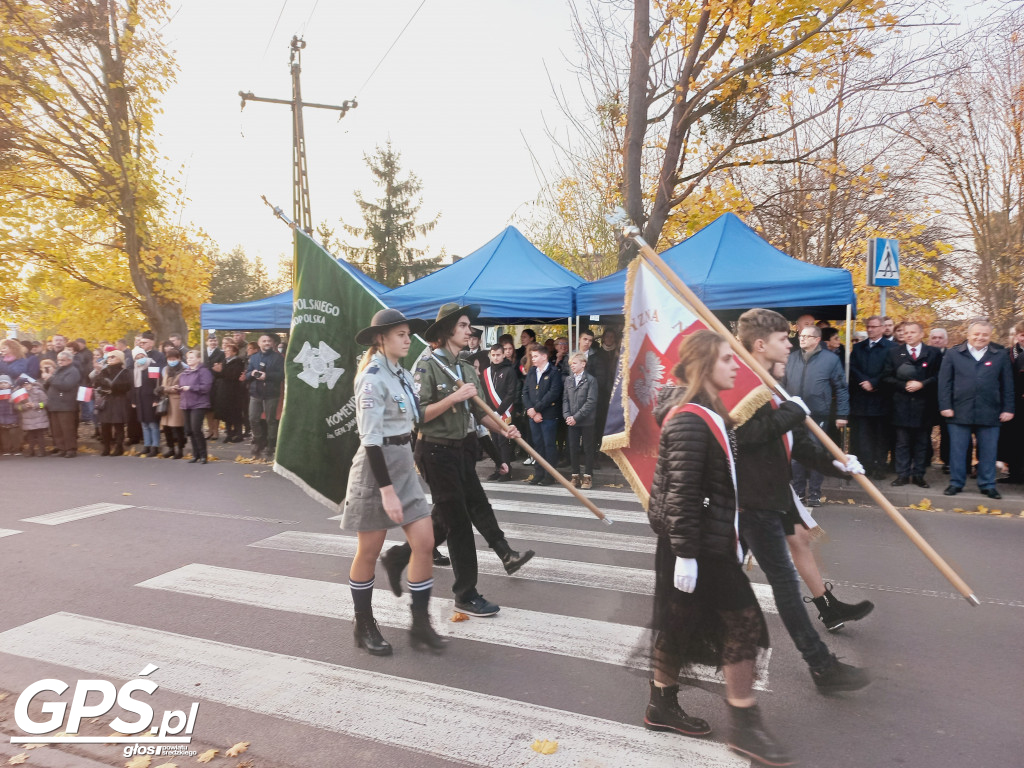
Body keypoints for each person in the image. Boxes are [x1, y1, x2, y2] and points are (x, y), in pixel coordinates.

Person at [644, 330, 788, 765]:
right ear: (706, 366)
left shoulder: (710, 412)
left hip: (702, 540)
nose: (734, 365)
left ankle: (661, 704)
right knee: (744, 624)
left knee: (678, 624)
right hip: (696, 545)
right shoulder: (691, 419)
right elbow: (682, 492)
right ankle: (745, 727)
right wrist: (686, 554)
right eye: (727, 359)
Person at [733, 309, 872, 684]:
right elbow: (744, 436)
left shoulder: (772, 383)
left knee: (786, 558)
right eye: (783, 339)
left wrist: (838, 466)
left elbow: (795, 446)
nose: (790, 344)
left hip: (771, 495)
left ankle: (825, 630)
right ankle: (821, 664)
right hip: (748, 500)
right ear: (760, 344)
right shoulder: (743, 383)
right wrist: (794, 411)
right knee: (776, 582)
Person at [379, 303, 532, 617]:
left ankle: (398, 557)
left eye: (469, 326)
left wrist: (505, 429)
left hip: (462, 450)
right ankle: (465, 594)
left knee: (469, 507)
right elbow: (417, 415)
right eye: (463, 325)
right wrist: (452, 398)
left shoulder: (464, 367)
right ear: (448, 330)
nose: (469, 331)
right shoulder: (427, 365)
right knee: (459, 524)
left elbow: (479, 411)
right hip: (436, 453)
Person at [341, 309, 446, 655]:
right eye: (400, 334)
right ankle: (363, 623)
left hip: (403, 463)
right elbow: (370, 439)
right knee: (369, 551)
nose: (407, 339)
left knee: (425, 542)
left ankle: (419, 623)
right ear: (380, 339)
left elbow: (415, 418)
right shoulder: (371, 378)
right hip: (376, 470)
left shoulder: (400, 372)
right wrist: (386, 492)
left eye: (407, 334)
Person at [938, 319, 1015, 499]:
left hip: (990, 411)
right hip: (959, 410)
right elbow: (944, 383)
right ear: (969, 335)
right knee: (957, 451)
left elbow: (1008, 384)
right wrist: (945, 406)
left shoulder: (1000, 355)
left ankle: (988, 485)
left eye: (985, 334)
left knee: (989, 451)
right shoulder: (953, 353)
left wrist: (1008, 408)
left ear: (990, 336)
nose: (980, 337)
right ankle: (956, 483)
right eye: (976, 334)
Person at [783, 325, 849, 507]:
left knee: (815, 453)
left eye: (806, 336)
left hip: (818, 413)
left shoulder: (830, 359)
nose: (801, 339)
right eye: (800, 336)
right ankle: (798, 493)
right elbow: (781, 384)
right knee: (796, 455)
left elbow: (841, 388)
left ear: (817, 339)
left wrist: (842, 414)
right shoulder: (791, 357)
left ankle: (814, 494)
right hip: (794, 413)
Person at [882, 322, 941, 488]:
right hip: (901, 405)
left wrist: (923, 384)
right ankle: (902, 475)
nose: (908, 335)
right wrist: (903, 385)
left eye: (912, 332)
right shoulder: (893, 353)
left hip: (925, 406)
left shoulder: (934, 353)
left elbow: (940, 375)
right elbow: (886, 377)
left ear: (921, 334)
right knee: (902, 443)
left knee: (922, 443)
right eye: (906, 332)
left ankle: (919, 475)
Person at [848, 315, 894, 479]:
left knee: (881, 437)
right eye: (868, 326)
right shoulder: (859, 347)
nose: (870, 329)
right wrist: (863, 381)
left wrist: (874, 383)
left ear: (882, 328)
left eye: (874, 327)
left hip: (882, 399)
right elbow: (852, 367)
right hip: (862, 399)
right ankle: (866, 465)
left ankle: (880, 466)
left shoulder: (891, 347)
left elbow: (890, 370)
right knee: (864, 436)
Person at [521, 342, 563, 486]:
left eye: (535, 356)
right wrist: (530, 411)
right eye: (532, 356)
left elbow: (553, 394)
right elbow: (525, 392)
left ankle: (549, 475)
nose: (532, 359)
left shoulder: (554, 372)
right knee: (537, 445)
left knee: (549, 445)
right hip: (534, 415)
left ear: (544, 356)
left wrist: (536, 409)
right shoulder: (532, 371)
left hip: (548, 415)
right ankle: (538, 473)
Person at [480, 343, 518, 482]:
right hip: (491, 413)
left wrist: (499, 411)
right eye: (493, 355)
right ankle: (498, 469)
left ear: (503, 355)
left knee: (503, 443)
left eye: (498, 355)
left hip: (504, 412)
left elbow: (511, 393)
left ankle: (507, 471)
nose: (495, 358)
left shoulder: (509, 371)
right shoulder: (486, 372)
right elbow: (483, 393)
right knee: (494, 443)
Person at [245, 333, 285, 460]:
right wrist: (252, 373)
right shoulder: (254, 357)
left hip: (271, 393)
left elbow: (282, 375)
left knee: (271, 420)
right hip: (255, 393)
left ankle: (271, 446)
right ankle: (258, 441)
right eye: (264, 341)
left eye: (269, 341)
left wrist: (266, 376)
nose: (266, 343)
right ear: (259, 343)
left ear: (273, 343)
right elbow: (246, 375)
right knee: (252, 419)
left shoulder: (278, 358)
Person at [563, 352, 598, 489]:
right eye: (571, 364)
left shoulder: (591, 380)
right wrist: (567, 416)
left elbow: (591, 401)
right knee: (573, 448)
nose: (572, 366)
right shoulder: (568, 380)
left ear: (583, 364)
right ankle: (575, 475)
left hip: (586, 420)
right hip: (572, 420)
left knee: (588, 448)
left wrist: (576, 417)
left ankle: (588, 477)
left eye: (575, 363)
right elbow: (565, 399)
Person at [998, 320, 1024, 484]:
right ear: (1017, 335)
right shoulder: (1007, 354)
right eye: (1022, 335)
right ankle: (1014, 473)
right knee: (1014, 439)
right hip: (1013, 403)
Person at [93, 349, 131, 456]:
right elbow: (96, 383)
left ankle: (119, 447)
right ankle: (106, 447)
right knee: (105, 425)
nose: (110, 359)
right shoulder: (104, 370)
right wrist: (100, 381)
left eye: (113, 357)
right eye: (109, 357)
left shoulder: (125, 372)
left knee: (118, 425)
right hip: (107, 400)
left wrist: (112, 386)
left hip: (118, 399)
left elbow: (127, 386)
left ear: (120, 358)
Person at [178, 350, 213, 464]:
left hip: (199, 404)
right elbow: (182, 386)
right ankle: (195, 454)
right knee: (189, 431)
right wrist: (177, 388)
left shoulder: (204, 372)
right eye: (188, 358)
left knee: (196, 429)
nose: (189, 360)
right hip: (186, 404)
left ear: (198, 359)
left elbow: (206, 387)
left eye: (192, 358)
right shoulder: (185, 372)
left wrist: (191, 388)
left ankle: (203, 455)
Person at [43, 350, 81, 457]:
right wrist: (47, 378)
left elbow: (66, 385)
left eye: (63, 360)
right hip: (54, 404)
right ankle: (61, 448)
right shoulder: (57, 370)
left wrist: (51, 378)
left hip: (66, 404)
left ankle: (70, 449)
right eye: (58, 360)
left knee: (67, 428)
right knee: (56, 428)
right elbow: (48, 385)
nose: (60, 362)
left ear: (70, 360)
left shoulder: (73, 371)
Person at [131, 347, 162, 457]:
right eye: (137, 357)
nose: (140, 359)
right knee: (144, 424)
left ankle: (155, 446)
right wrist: (133, 400)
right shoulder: (136, 369)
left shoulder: (152, 366)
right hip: (140, 400)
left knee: (153, 423)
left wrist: (156, 399)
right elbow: (134, 387)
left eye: (142, 356)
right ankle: (147, 445)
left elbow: (157, 384)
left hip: (150, 399)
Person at [927, 327, 951, 473]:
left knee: (947, 432)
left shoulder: (952, 355)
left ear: (946, 340)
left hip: (946, 400)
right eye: (934, 338)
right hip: (927, 400)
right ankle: (925, 459)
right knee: (924, 431)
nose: (937, 340)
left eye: (940, 338)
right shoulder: (924, 354)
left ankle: (947, 461)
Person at [213, 341, 247, 443]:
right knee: (226, 414)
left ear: (234, 352)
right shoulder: (224, 361)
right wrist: (217, 371)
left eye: (229, 350)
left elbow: (234, 375)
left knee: (235, 414)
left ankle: (239, 434)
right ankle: (229, 434)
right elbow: (219, 376)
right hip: (224, 391)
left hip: (234, 392)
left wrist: (221, 371)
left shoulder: (238, 362)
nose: (226, 352)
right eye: (226, 350)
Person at [156, 349, 187, 459]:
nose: (171, 361)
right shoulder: (167, 370)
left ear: (179, 358)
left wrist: (165, 389)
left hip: (176, 401)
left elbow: (178, 388)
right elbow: (164, 385)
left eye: (174, 359)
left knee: (177, 427)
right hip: (166, 401)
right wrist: (163, 389)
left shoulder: (183, 371)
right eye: (169, 359)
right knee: (166, 427)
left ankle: (180, 449)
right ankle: (171, 449)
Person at [15, 374, 48, 457]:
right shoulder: (20, 395)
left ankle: (42, 450)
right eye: (24, 385)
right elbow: (16, 406)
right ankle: (31, 450)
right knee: (30, 436)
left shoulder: (39, 392)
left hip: (39, 416)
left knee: (40, 435)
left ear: (31, 383)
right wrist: (24, 406)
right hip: (28, 418)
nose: (27, 386)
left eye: (28, 384)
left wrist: (36, 405)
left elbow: (45, 403)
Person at [203, 335, 225, 441]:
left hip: (215, 384)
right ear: (207, 342)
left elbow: (221, 368)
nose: (213, 342)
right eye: (211, 340)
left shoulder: (221, 353)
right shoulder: (202, 352)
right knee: (207, 409)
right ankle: (210, 430)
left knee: (215, 408)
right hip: (204, 384)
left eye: (215, 340)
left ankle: (216, 431)